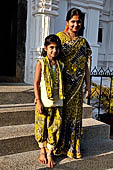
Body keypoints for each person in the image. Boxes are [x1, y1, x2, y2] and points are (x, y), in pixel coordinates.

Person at [56, 8, 92, 159]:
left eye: (79, 22)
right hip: (62, 86)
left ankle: (72, 147)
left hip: (77, 87)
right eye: (73, 21)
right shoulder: (59, 38)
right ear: (67, 22)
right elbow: (51, 61)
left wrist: (88, 86)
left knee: (74, 116)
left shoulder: (83, 43)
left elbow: (86, 66)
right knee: (61, 115)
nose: (76, 25)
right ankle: (58, 145)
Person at [34, 34, 64, 168]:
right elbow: (36, 83)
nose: (54, 51)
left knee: (54, 128)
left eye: (57, 48)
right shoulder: (40, 63)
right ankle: (42, 150)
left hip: (57, 103)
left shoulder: (60, 65)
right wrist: (38, 101)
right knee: (42, 127)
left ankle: (50, 152)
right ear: (46, 48)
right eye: (51, 47)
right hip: (43, 103)